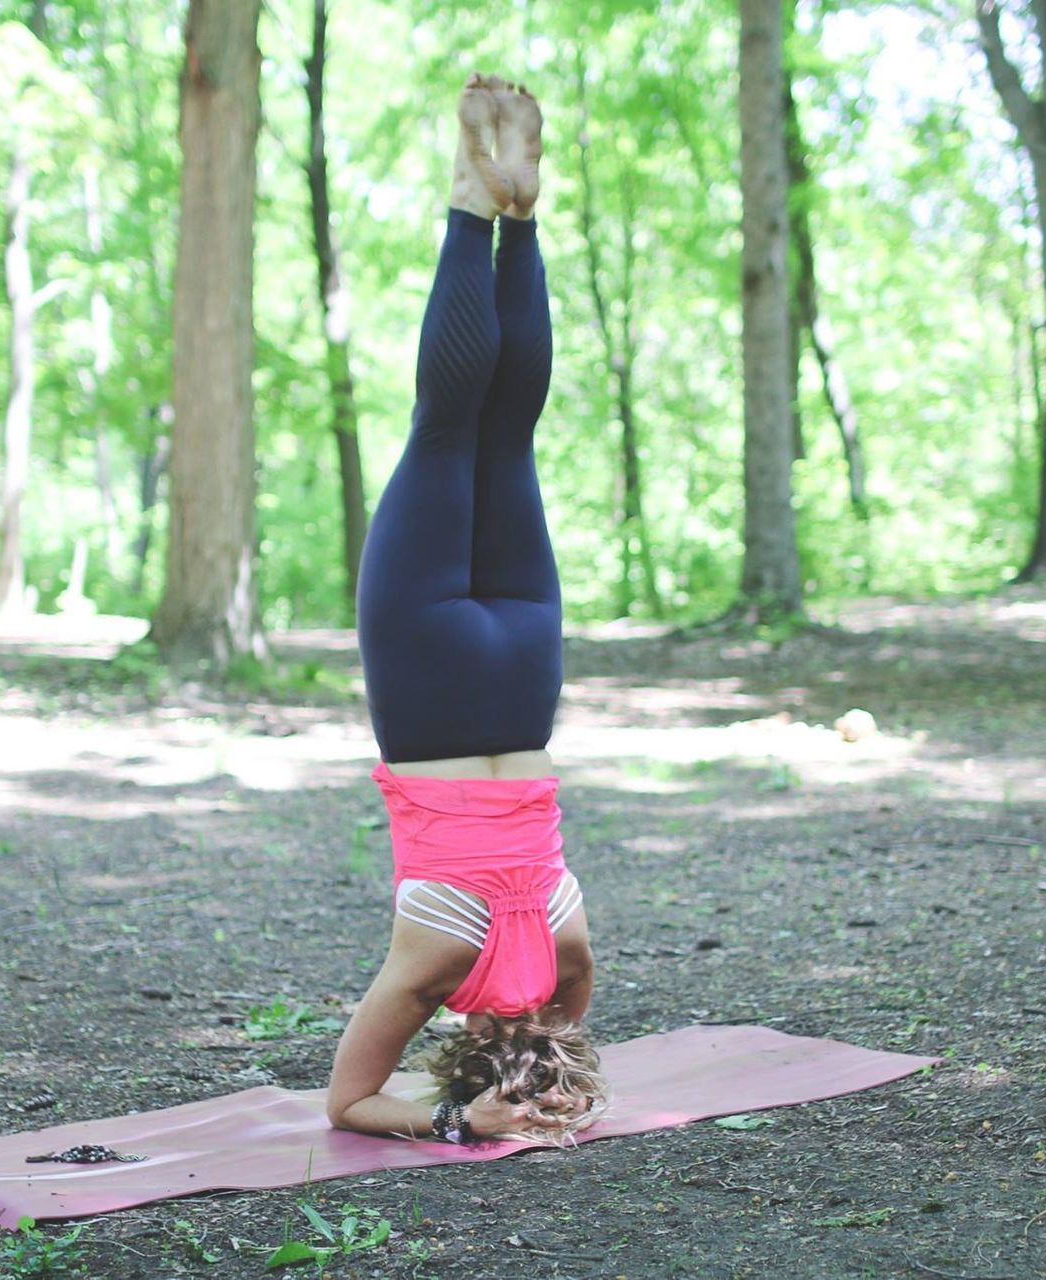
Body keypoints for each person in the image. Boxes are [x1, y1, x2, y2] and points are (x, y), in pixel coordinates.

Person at [324, 74, 604, 1145]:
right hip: (434, 686)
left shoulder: (569, 948)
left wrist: (538, 1088)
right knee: (445, 431)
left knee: (507, 433)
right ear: (459, 1042)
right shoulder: (435, 963)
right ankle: (470, 199)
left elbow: (566, 1013)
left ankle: (520, 220)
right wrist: (457, 1120)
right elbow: (349, 1100)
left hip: (523, 678)